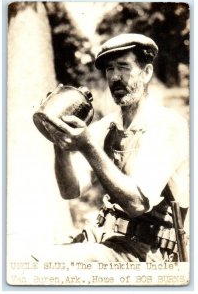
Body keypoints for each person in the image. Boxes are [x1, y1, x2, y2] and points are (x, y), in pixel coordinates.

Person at [42, 33, 189, 262]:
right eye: (110, 69)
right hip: (104, 238)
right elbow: (70, 191)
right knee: (28, 250)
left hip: (150, 251)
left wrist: (88, 146)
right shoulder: (106, 127)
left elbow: (137, 203)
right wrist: (59, 142)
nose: (115, 77)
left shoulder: (167, 126)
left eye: (124, 67)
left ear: (147, 72)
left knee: (57, 261)